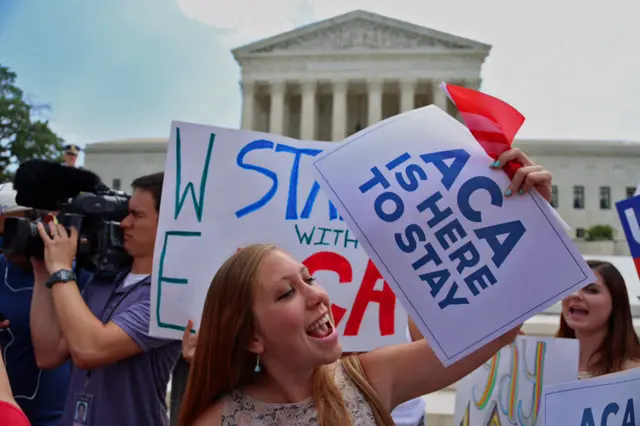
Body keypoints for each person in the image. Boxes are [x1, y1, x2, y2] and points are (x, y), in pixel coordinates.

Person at [178, 149, 553, 425]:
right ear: (251, 338)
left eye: (309, 278)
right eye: (286, 292)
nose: (318, 294)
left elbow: (499, 330)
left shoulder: (369, 377)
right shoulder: (217, 421)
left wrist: (532, 219)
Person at [29, 172, 182, 426]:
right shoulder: (102, 282)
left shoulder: (169, 294)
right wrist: (42, 273)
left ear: (169, 223)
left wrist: (62, 271)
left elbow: (90, 349)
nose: (124, 223)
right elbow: (48, 354)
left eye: (137, 215)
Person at [0, 184, 86, 426]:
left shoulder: (78, 272)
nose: (5, 243)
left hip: (59, 417)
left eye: (12, 230)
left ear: (48, 220)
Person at [556, 259, 640, 378]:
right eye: (571, 288)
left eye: (591, 290)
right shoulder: (543, 361)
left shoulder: (633, 374)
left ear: (616, 303)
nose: (575, 295)